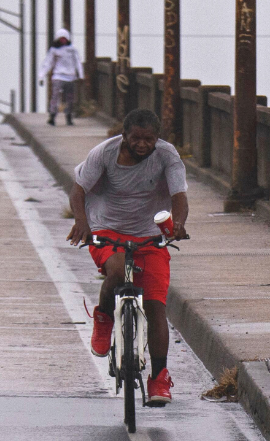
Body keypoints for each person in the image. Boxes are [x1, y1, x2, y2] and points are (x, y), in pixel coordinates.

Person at [66, 108, 189, 405]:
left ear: (157, 138)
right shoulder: (104, 154)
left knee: (156, 305)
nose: (142, 144)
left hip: (150, 235)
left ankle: (159, 378)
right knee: (118, 272)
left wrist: (178, 224)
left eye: (149, 139)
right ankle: (104, 317)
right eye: (136, 138)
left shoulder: (167, 156)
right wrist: (82, 222)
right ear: (124, 136)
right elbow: (78, 191)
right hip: (107, 229)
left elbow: (179, 197)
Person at [38, 28, 83, 126]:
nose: (63, 40)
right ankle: (52, 116)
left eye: (64, 38)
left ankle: (69, 116)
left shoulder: (72, 50)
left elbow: (77, 62)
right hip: (58, 76)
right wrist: (41, 76)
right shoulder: (54, 50)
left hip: (70, 77)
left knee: (70, 99)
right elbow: (48, 63)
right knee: (55, 97)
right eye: (61, 38)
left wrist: (81, 75)